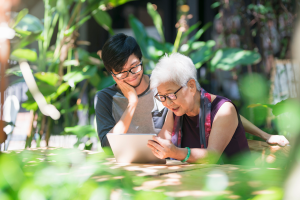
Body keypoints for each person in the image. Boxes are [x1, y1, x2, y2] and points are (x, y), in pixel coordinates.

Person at [94, 33, 289, 152]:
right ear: (111, 74)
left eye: (134, 67)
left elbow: (216, 109)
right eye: (120, 72)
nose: (130, 76)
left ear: (141, 60)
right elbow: (107, 147)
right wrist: (132, 103)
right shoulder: (105, 98)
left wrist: (264, 135)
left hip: (171, 164)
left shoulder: (163, 85)